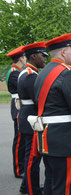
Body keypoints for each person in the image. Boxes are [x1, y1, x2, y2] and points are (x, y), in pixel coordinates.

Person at [33, 32, 71, 195]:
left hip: (46, 138)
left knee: (51, 183)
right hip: (65, 140)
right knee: (63, 188)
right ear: (64, 52)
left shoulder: (42, 73)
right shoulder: (68, 73)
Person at [17, 41, 48, 195]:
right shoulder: (31, 75)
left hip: (27, 118)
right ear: (34, 56)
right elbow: (38, 100)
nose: (45, 59)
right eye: (42, 56)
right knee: (32, 159)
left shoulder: (29, 72)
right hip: (31, 120)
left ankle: (26, 186)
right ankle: (32, 190)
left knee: (32, 157)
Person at [6, 46, 26, 179]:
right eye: (24, 57)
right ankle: (19, 169)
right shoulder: (14, 72)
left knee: (22, 138)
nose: (26, 59)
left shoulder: (17, 71)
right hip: (18, 105)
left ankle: (22, 166)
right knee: (19, 139)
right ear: (20, 58)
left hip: (20, 105)